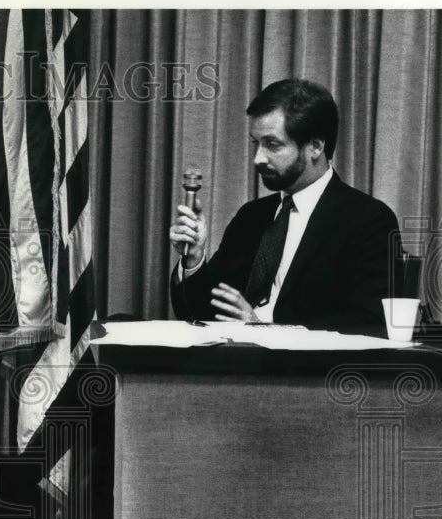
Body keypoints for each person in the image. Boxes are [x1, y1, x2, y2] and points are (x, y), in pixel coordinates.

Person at [169, 78, 400, 337]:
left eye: (273, 145)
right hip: (231, 367)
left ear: (315, 146)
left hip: (300, 374)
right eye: (256, 143)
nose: (258, 158)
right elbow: (198, 314)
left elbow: (369, 324)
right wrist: (194, 258)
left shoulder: (368, 220)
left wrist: (264, 331)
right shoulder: (251, 217)